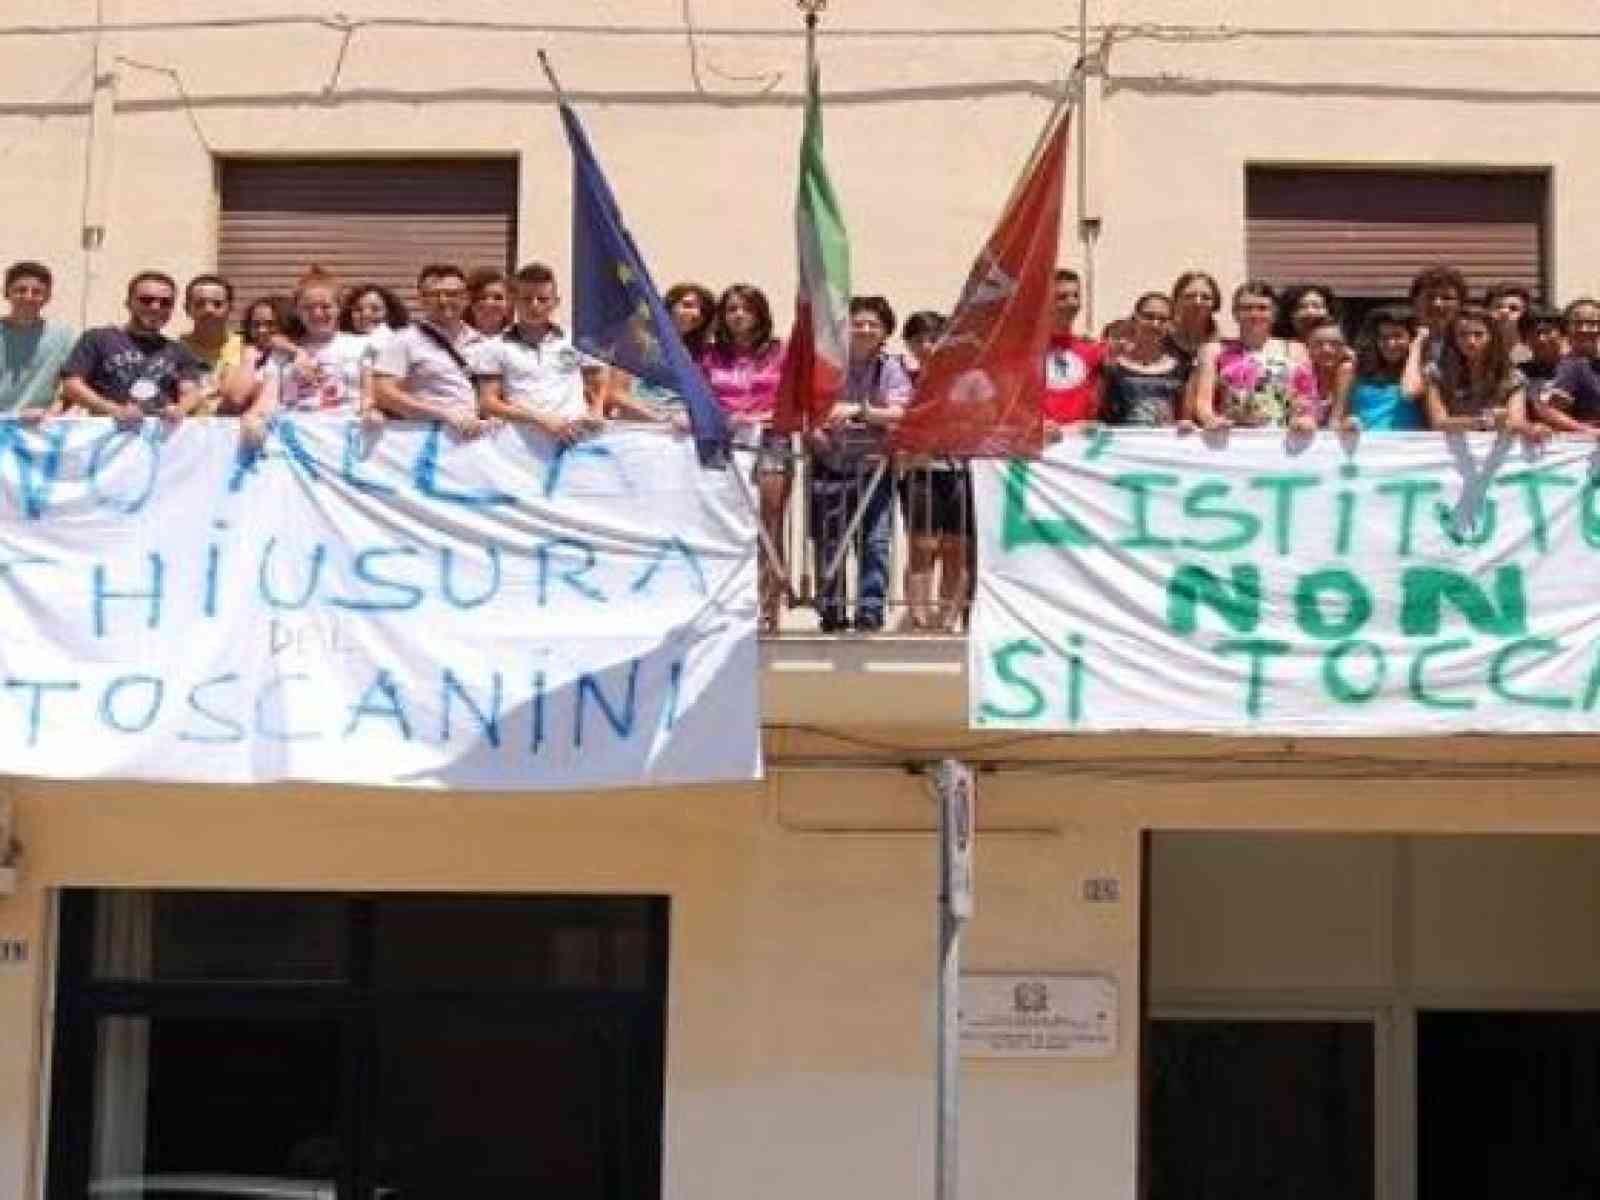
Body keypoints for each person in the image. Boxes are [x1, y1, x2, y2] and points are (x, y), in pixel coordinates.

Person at [808, 295, 911, 634]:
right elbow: (810, 409)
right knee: (829, 541)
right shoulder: (827, 366)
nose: (865, 329)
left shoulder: (890, 367)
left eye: (873, 324)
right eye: (858, 323)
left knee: (875, 541)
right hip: (830, 463)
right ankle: (832, 610)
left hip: (874, 467)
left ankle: (870, 611)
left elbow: (902, 411)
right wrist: (817, 430)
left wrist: (859, 412)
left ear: (885, 331)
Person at [701, 283, 788, 631]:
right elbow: (699, 398)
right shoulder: (709, 355)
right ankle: (726, 607)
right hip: (725, 445)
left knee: (769, 523)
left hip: (770, 441)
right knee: (725, 522)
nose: (738, 315)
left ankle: (767, 607)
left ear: (760, 314)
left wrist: (766, 417)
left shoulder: (779, 352)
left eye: (746, 309)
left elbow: (793, 400)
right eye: (731, 309)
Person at [243, 267, 383, 441]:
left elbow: (368, 397)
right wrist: (254, 417)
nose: (317, 313)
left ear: (339, 308)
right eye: (308, 307)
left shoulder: (363, 347)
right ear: (297, 311)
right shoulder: (281, 354)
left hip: (344, 439)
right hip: (294, 440)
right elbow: (268, 398)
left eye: (326, 306)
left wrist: (371, 413)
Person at [897, 310, 970, 633]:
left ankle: (948, 618)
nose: (927, 346)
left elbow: (982, 417)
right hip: (920, 471)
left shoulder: (968, 378)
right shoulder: (905, 380)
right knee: (922, 545)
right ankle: (920, 617)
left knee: (956, 547)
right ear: (909, 345)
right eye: (918, 340)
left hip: (961, 470)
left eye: (934, 339)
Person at [476, 262, 604, 443]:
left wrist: (596, 410)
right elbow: (489, 403)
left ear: (556, 302)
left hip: (576, 440)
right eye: (526, 299)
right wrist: (540, 419)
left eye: (542, 299)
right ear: (513, 301)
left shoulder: (578, 340)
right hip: (521, 445)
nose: (534, 305)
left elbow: (597, 381)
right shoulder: (494, 347)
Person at [60, 270, 204, 426]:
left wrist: (180, 409)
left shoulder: (180, 351)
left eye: (165, 302)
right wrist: (114, 410)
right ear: (128, 303)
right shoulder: (97, 338)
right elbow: (71, 385)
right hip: (107, 434)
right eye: (146, 300)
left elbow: (190, 391)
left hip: (158, 436)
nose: (156, 307)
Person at [371, 263, 491, 437]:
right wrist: (443, 414)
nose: (443, 300)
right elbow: (383, 392)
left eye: (452, 294)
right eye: (434, 295)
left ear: (465, 298)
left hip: (475, 438)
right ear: (421, 299)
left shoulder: (483, 343)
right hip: (426, 437)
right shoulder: (403, 340)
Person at [1193, 281, 1318, 431]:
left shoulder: (1295, 349)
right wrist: (1211, 420)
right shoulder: (1213, 350)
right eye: (1247, 308)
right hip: (1231, 435)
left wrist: (1305, 419)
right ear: (1235, 313)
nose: (1254, 314)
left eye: (1262, 308)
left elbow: (1307, 398)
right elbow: (1203, 403)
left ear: (1274, 314)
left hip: (1282, 436)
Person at [602, 280, 717, 426]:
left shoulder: (694, 354)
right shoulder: (639, 340)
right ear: (669, 307)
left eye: (703, 311)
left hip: (683, 428)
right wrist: (662, 419)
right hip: (644, 427)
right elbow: (616, 395)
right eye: (687, 305)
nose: (696, 314)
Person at [1422, 304, 1534, 435]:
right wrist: (1480, 422)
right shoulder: (1437, 372)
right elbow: (1438, 422)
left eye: (1478, 334)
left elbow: (1517, 421)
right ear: (1453, 338)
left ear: (1492, 337)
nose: (1471, 341)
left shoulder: (1512, 377)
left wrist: (1505, 421)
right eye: (1462, 335)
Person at [0, 260, 75, 422]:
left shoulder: (63, 336)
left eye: (37, 292)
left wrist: (53, 412)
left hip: (39, 425)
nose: (28, 297)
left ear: (47, 297)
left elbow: (74, 386)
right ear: (6, 292)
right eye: (21, 290)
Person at [1100, 292, 1189, 427]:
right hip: (1121, 439)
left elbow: (1185, 417)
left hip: (1165, 439)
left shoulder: (1182, 367)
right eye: (1148, 317)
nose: (1155, 324)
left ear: (1171, 324)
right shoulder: (1112, 364)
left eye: (1163, 319)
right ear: (1135, 318)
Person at [1334, 305, 1425, 431]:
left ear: (1411, 338)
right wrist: (1348, 424)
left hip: (1406, 443)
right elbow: (1336, 419)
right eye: (1384, 337)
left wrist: (1417, 344)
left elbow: (1409, 392)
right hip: (1365, 442)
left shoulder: (1420, 370)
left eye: (1398, 336)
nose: (1390, 344)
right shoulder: (1352, 370)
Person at [1043, 268, 1105, 436]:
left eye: (1076, 296)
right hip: (1040, 443)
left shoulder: (1091, 350)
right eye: (1062, 297)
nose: (1072, 303)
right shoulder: (1027, 350)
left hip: (1078, 443)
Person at [177, 274, 243, 414]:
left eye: (217, 304)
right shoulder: (173, 350)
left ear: (230, 308)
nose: (209, 310)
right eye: (200, 304)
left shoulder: (247, 348)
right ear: (187, 309)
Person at [1533, 297, 1600, 434]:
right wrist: (1588, 430)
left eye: (1592, 323)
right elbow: (1548, 410)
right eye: (1578, 323)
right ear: (1566, 328)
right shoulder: (1570, 367)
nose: (1584, 329)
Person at [1401, 264, 1468, 397]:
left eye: (1447, 298)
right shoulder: (1396, 339)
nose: (1437, 304)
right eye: (1430, 297)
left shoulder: (1469, 341)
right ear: (1415, 301)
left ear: (1460, 304)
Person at [1303, 317, 1352, 426]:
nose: (1326, 349)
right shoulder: (1300, 374)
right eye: (1318, 344)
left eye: (1334, 344)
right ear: (1308, 347)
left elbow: (1337, 420)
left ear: (1345, 348)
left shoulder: (1352, 374)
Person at [1516, 305, 1564, 410]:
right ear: (1524, 339)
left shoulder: (1579, 368)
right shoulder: (1519, 374)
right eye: (1534, 334)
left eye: (1547, 332)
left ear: (1562, 333)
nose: (1541, 339)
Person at [339, 283, 409, 344]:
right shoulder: (339, 343)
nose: (366, 315)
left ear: (389, 313)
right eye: (358, 309)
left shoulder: (403, 341)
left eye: (375, 309)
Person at [1485, 282, 1534, 363]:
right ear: (1487, 312)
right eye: (1498, 307)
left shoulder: (1533, 353)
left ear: (1525, 314)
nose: (1505, 312)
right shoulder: (1478, 351)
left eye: (1513, 308)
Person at [466, 266, 511, 338]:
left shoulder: (520, 338)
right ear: (471, 303)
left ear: (508, 303)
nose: (489, 303)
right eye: (482, 298)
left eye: (498, 298)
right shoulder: (457, 338)